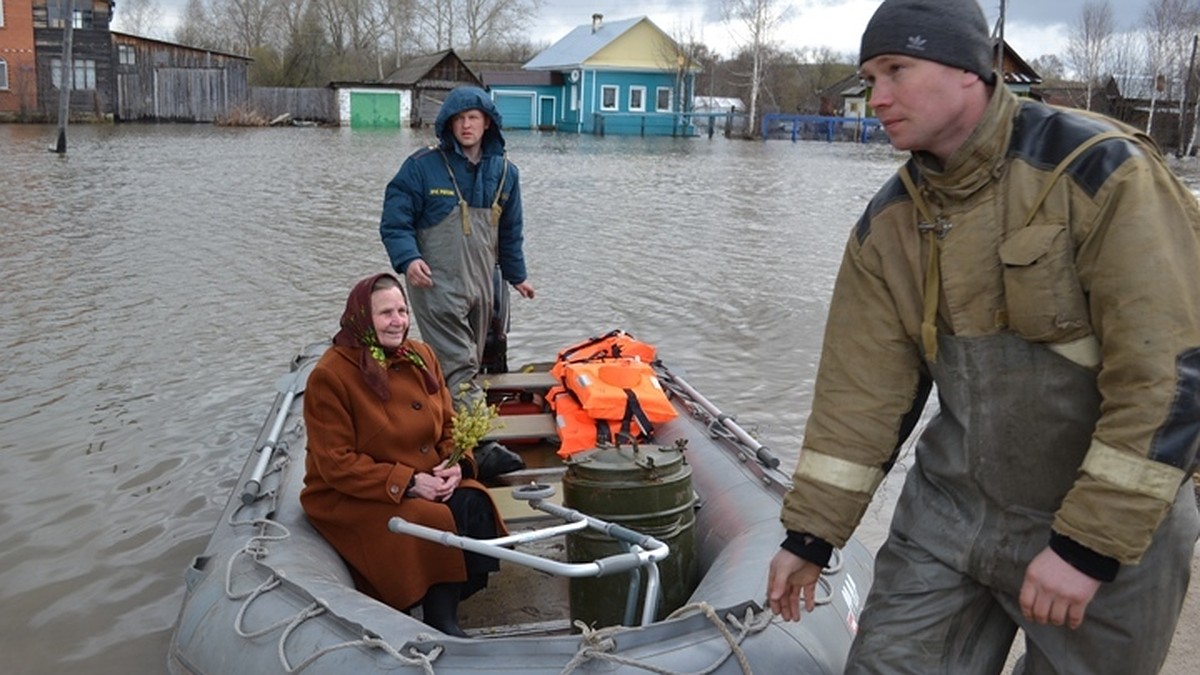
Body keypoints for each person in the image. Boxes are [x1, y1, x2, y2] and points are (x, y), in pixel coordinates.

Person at [766, 1, 1200, 672]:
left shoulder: (1101, 172)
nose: (876, 97)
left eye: (896, 70)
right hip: (951, 516)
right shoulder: (887, 225)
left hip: (1111, 528)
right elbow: (858, 401)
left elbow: (1168, 375)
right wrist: (811, 534)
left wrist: (1089, 545)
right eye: (869, 77)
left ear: (971, 69)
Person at [301, 273, 508, 637]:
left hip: (423, 475)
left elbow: (448, 425)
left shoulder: (422, 355)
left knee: (472, 501)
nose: (398, 321)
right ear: (362, 317)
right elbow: (336, 463)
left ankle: (453, 600)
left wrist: (456, 465)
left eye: (402, 310)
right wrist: (409, 483)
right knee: (430, 517)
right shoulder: (331, 376)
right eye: (385, 314)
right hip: (354, 493)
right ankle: (440, 622)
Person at [380, 85, 534, 400]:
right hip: (435, 285)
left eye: (473, 117)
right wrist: (408, 259)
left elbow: (510, 231)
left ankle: (445, 418)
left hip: (481, 285)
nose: (466, 125)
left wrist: (517, 277)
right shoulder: (421, 167)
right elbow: (395, 223)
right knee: (459, 363)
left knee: (471, 361)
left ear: (487, 122)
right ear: (449, 124)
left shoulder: (506, 173)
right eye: (459, 118)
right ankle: (478, 440)